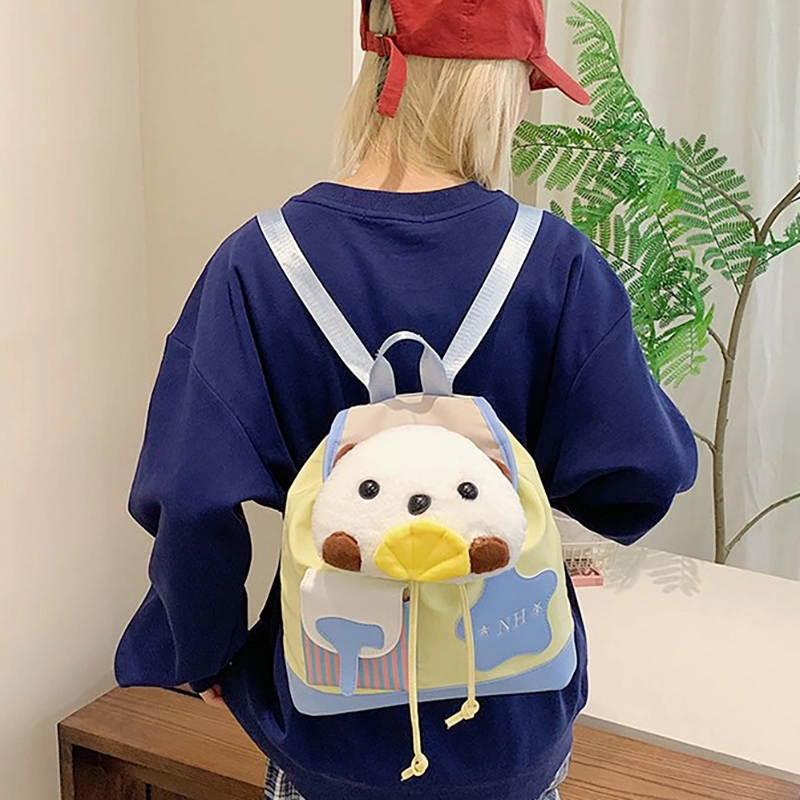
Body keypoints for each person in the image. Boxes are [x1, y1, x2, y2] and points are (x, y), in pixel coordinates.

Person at [114, 1, 698, 799]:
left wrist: (205, 651)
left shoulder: (257, 266)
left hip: (328, 725)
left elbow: (190, 494)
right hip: (510, 719)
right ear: (495, 89)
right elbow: (643, 477)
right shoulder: (555, 265)